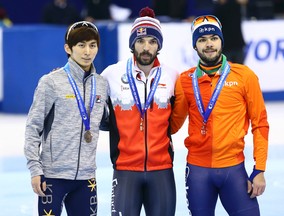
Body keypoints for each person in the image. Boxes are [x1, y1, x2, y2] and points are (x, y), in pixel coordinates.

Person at [171, 15, 269, 215]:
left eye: (213, 38)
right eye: (202, 40)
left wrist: (259, 169)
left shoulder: (244, 76)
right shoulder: (184, 80)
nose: (209, 44)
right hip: (198, 171)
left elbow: (260, 124)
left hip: (233, 169)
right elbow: (172, 125)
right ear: (194, 46)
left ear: (221, 41)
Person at [24, 21, 108, 215]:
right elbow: (33, 127)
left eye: (92, 45)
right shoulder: (51, 82)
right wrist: (35, 169)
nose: (87, 51)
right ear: (68, 48)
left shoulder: (102, 84)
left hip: (86, 178)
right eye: (81, 45)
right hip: (53, 177)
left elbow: (105, 121)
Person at [101, 7, 178, 216]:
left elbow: (177, 119)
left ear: (159, 46)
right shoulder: (111, 74)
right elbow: (92, 106)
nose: (146, 48)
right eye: (141, 41)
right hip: (125, 170)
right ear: (132, 44)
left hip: (162, 170)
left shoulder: (172, 77)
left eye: (152, 42)